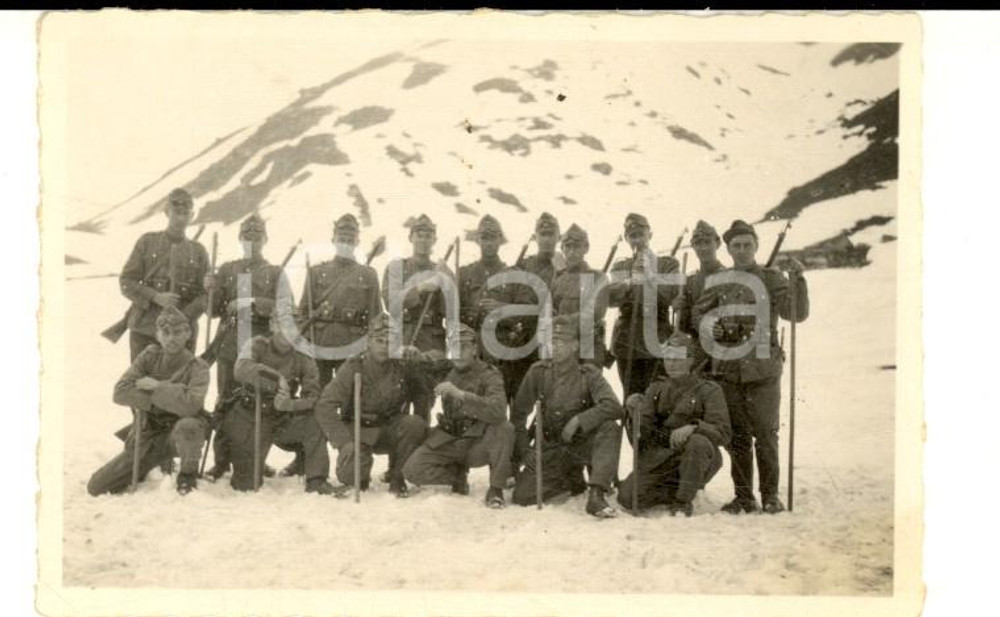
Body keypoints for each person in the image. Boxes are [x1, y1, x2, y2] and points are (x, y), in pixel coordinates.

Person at [692, 219, 809, 514]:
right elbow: (698, 313)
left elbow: (796, 313)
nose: (742, 250)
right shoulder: (719, 280)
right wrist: (710, 325)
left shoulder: (771, 277)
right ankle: (744, 497)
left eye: (747, 245)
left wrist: (797, 281)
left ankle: (770, 496)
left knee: (766, 435)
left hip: (763, 370)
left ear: (756, 246)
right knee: (737, 437)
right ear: (729, 249)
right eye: (737, 246)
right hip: (728, 370)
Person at [87, 306, 210, 496]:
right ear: (157, 334)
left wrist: (157, 386)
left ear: (188, 333)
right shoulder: (149, 357)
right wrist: (170, 397)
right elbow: (120, 392)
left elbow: (191, 405)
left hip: (180, 435)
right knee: (97, 486)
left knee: (189, 425)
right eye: (166, 333)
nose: (171, 338)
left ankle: (187, 475)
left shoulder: (198, 367)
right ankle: (150, 465)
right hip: (150, 433)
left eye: (178, 332)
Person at [510, 316, 623, 518]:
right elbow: (518, 414)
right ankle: (570, 479)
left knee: (610, 428)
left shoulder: (588, 374)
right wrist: (525, 449)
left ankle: (597, 494)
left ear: (575, 346)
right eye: (553, 342)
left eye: (562, 342)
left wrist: (579, 420)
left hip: (580, 445)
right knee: (523, 496)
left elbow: (614, 407)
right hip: (551, 447)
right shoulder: (538, 372)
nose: (556, 347)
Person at [313, 314, 435, 497]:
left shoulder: (403, 365)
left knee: (414, 424)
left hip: (391, 428)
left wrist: (419, 361)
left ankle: (397, 475)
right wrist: (343, 442)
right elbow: (325, 406)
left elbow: (423, 395)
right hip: (359, 430)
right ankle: (362, 473)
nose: (384, 346)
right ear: (369, 342)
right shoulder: (353, 366)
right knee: (350, 475)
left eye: (390, 342)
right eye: (379, 341)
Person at [224, 313, 343, 496]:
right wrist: (276, 378)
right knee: (246, 486)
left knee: (314, 422)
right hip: (250, 418)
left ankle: (316, 479)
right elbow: (241, 369)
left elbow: (313, 398)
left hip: (281, 419)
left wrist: (291, 405)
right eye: (284, 326)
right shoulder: (257, 344)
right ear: (273, 325)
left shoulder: (303, 355)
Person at [617, 331, 731, 516]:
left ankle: (682, 501)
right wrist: (634, 415)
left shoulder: (709, 390)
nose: (672, 364)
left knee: (697, 443)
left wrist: (694, 427)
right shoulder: (656, 389)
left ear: (690, 360)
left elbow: (723, 432)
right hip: (663, 459)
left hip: (698, 456)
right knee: (627, 498)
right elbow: (641, 438)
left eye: (678, 359)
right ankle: (673, 491)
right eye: (668, 358)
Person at [202, 213, 280, 481]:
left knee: (258, 401)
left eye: (257, 236)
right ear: (240, 238)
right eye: (247, 236)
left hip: (260, 344)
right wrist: (209, 289)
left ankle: (256, 458)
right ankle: (221, 460)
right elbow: (212, 311)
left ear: (265, 239)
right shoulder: (227, 270)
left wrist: (252, 302)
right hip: (229, 342)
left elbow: (284, 307)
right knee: (225, 400)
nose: (252, 241)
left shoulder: (275, 272)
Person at [403, 324, 513, 508]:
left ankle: (496, 488)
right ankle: (457, 476)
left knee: (504, 428)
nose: (459, 353)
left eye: (464, 347)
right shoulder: (445, 369)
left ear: (475, 349)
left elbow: (498, 410)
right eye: (454, 347)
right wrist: (415, 354)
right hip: (450, 439)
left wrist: (462, 395)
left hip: (478, 443)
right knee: (412, 470)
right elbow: (427, 360)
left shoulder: (489, 374)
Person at [119, 188, 209, 361]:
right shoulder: (147, 242)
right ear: (167, 212)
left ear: (192, 216)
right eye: (176, 212)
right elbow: (126, 281)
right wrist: (155, 297)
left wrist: (185, 315)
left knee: (180, 378)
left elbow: (206, 295)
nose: (181, 218)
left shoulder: (199, 252)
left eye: (185, 213)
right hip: (146, 329)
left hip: (182, 334)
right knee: (142, 377)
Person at [381, 214, 454, 422]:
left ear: (434, 240)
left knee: (424, 399)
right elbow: (390, 302)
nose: (423, 240)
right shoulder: (397, 268)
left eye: (428, 236)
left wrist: (448, 279)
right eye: (419, 235)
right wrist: (419, 289)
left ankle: (422, 440)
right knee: (397, 399)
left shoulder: (440, 270)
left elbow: (451, 310)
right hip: (402, 336)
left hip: (430, 342)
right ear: (410, 237)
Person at [301, 213, 382, 387]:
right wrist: (307, 343)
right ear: (333, 240)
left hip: (352, 345)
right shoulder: (316, 272)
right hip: (320, 342)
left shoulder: (368, 275)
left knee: (349, 394)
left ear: (357, 242)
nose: (345, 244)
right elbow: (303, 312)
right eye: (342, 239)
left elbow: (375, 317)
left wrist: (369, 348)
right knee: (317, 392)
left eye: (350, 240)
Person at [608, 213, 681, 398]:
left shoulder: (667, 264)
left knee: (658, 397)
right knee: (631, 398)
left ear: (650, 234)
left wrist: (650, 276)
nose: (637, 240)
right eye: (632, 236)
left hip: (657, 338)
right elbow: (612, 297)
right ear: (626, 239)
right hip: (627, 341)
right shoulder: (620, 266)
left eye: (641, 234)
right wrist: (631, 281)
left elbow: (670, 294)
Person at [549, 223, 610, 368]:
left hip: (589, 347)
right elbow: (551, 309)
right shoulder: (558, 279)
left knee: (588, 380)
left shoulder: (598, 277)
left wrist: (563, 320)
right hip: (562, 345)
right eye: (568, 246)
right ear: (562, 248)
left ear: (586, 248)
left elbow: (596, 312)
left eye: (577, 247)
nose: (572, 252)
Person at [457, 215, 510, 365]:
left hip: (501, 346)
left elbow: (522, 315)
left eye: (493, 238)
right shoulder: (464, 274)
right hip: (471, 346)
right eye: (485, 238)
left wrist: (502, 309)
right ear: (477, 240)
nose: (489, 243)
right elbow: (455, 313)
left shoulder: (512, 275)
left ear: (500, 240)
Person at [675, 220, 727, 369]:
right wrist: (678, 307)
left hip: (724, 350)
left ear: (717, 244)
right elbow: (684, 326)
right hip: (697, 352)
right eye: (698, 243)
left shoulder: (730, 277)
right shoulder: (689, 281)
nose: (703, 248)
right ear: (693, 246)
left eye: (707, 242)